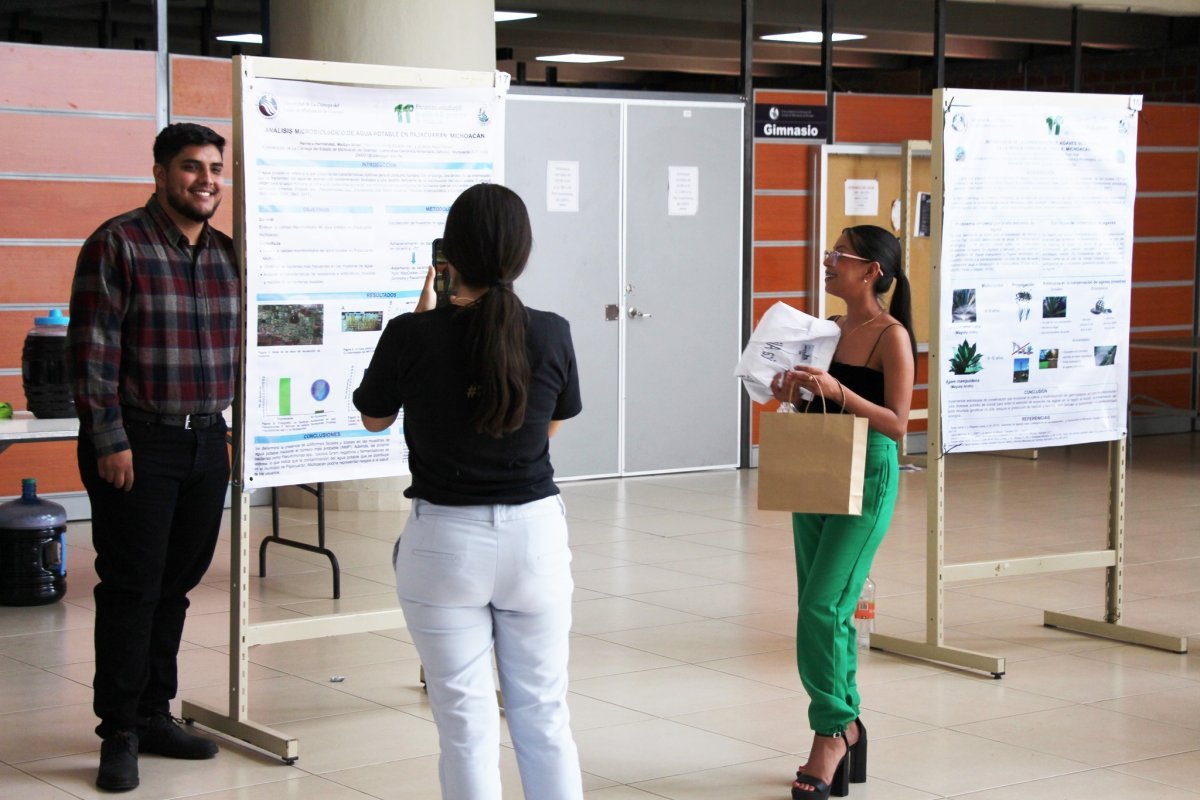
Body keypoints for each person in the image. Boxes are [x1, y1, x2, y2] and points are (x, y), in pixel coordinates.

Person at [353, 183, 584, 800]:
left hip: (444, 544)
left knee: (464, 725)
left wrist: (424, 320)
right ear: (522, 253)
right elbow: (548, 426)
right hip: (535, 538)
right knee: (544, 714)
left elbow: (374, 418)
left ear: (448, 255)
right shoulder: (552, 331)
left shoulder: (411, 334)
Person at [68, 123, 238, 792]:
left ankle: (154, 713)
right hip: (138, 443)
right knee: (132, 588)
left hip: (207, 441)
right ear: (162, 173)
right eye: (192, 167)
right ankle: (119, 732)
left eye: (215, 168)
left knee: (176, 587)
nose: (206, 180)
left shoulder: (227, 254)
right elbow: (92, 351)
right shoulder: (119, 243)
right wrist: (109, 439)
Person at [771, 225, 915, 800]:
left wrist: (839, 391)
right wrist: (791, 388)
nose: (828, 261)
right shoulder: (827, 329)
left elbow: (898, 424)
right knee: (824, 607)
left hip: (867, 472)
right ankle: (848, 721)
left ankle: (831, 733)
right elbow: (813, 402)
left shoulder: (892, 336)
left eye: (840, 254)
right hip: (817, 462)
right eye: (830, 253)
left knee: (823, 607)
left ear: (872, 271)